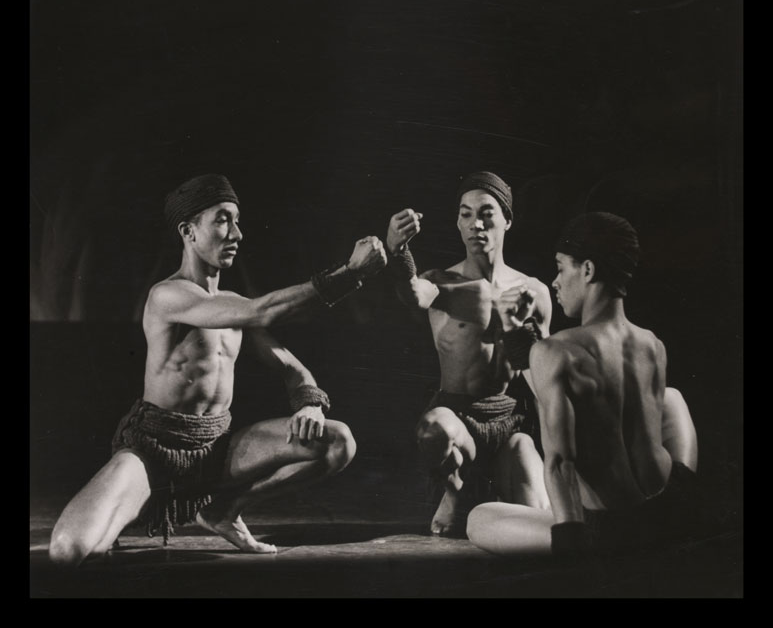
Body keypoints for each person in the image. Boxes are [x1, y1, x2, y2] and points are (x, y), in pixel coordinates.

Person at [49, 173, 387, 566]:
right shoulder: (168, 295)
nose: (237, 233)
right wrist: (350, 273)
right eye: (223, 219)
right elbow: (261, 309)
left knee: (338, 440)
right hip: (155, 450)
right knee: (68, 552)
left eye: (238, 221)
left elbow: (294, 369)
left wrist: (309, 403)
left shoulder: (233, 303)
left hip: (217, 450)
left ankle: (224, 510)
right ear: (188, 231)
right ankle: (131, 506)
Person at [466, 211, 700, 559]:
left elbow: (560, 461)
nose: (556, 282)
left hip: (610, 529)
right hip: (669, 507)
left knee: (479, 518)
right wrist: (517, 330)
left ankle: (578, 533)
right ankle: (690, 501)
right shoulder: (652, 345)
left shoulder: (556, 351)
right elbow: (564, 378)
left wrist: (569, 536)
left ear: (588, 270)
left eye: (561, 268)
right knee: (671, 398)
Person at [386, 171, 553, 537]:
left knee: (542, 521)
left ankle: (493, 491)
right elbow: (414, 294)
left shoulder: (535, 291)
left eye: (486, 213)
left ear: (507, 220)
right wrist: (398, 251)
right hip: (458, 419)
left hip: (509, 423)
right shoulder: (443, 282)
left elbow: (546, 376)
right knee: (434, 429)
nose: (475, 223)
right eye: (465, 214)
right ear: (458, 223)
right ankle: (455, 489)